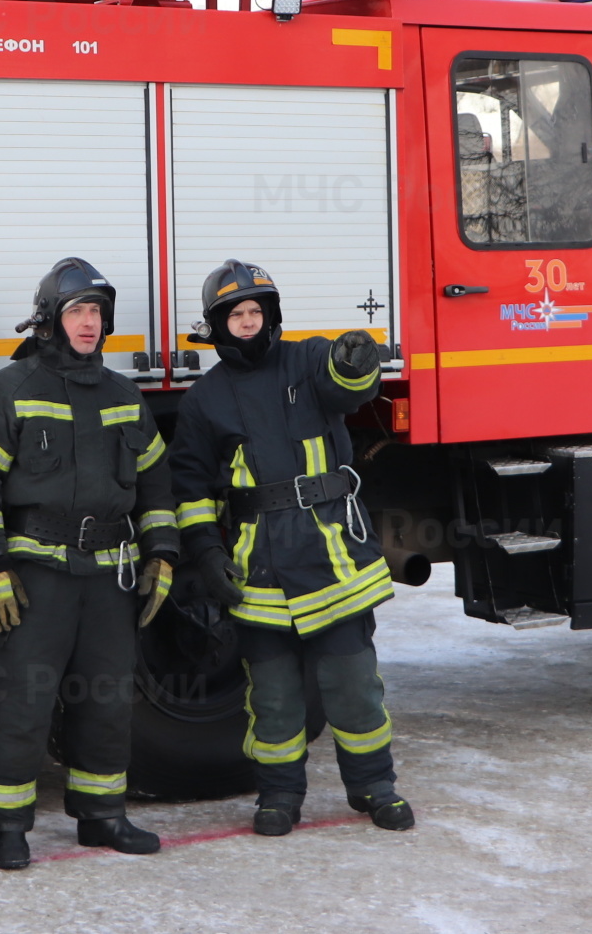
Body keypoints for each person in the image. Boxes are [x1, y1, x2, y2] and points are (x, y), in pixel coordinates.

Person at [169, 259, 413, 837]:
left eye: (256, 311)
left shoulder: (306, 359)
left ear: (271, 317)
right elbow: (191, 484)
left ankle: (376, 787)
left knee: (353, 687)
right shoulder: (205, 399)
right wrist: (205, 554)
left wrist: (357, 357)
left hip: (332, 557)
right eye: (236, 314)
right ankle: (279, 795)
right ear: (218, 325)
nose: (248, 321)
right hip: (260, 567)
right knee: (273, 699)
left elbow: (351, 386)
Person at [0, 258, 177, 870]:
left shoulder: (123, 394)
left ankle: (102, 815)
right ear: (50, 320)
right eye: (77, 311)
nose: (89, 323)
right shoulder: (10, 390)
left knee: (107, 698)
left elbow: (157, 483)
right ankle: (10, 827)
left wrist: (162, 554)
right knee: (23, 700)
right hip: (36, 577)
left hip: (110, 575)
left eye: (97, 313)